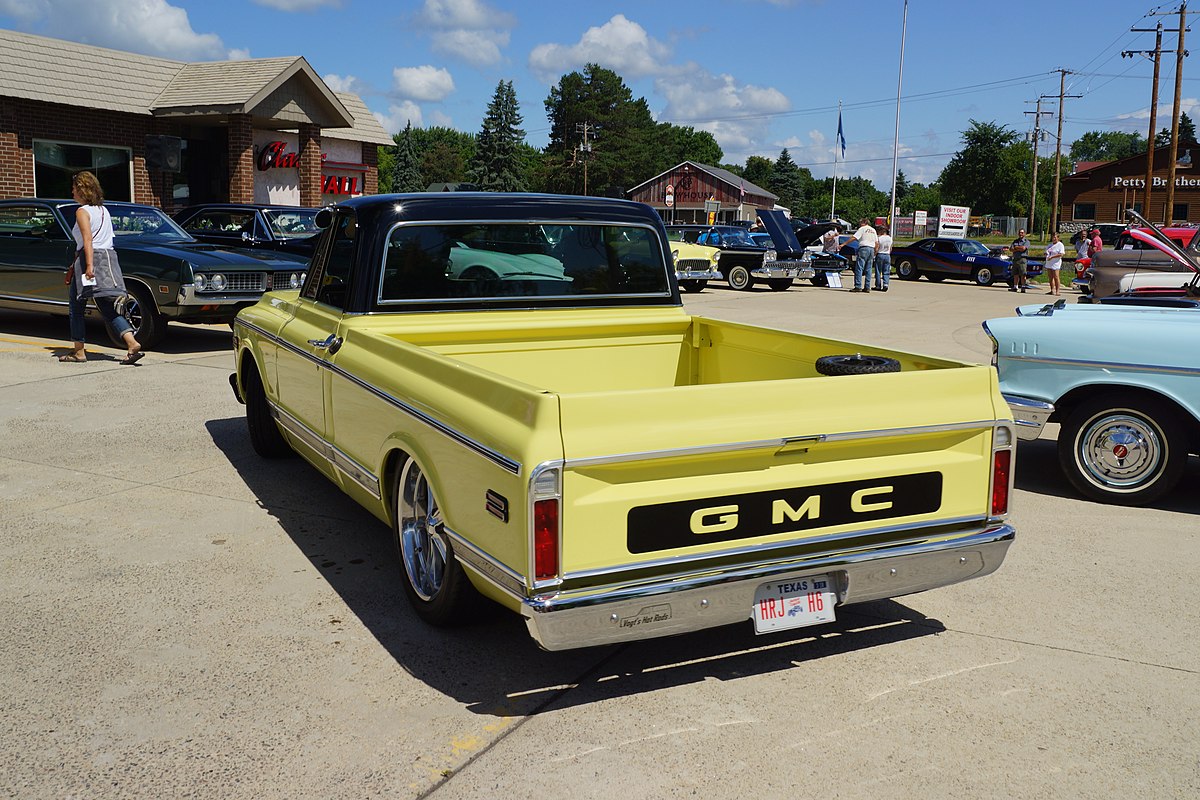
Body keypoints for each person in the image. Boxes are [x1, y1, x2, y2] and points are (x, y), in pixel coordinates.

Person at [60, 171, 143, 364]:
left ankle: (79, 352)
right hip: (108, 259)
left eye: (74, 189)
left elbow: (88, 240)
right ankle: (132, 343)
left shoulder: (82, 211)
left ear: (82, 190)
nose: (72, 193)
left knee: (76, 307)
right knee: (106, 306)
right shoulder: (104, 211)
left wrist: (89, 266)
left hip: (90, 261)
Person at [848, 218, 877, 293]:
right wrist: (875, 251)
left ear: (863, 223)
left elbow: (854, 237)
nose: (859, 224)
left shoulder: (862, 229)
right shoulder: (873, 230)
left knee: (859, 267)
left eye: (860, 223)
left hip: (864, 248)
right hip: (871, 249)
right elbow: (877, 243)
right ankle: (867, 287)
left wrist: (844, 244)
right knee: (869, 269)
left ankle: (858, 286)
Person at [1007, 228, 1030, 293]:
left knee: (1023, 274)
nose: (1021, 234)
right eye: (1020, 233)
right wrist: (1018, 248)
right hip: (1015, 259)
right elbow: (1011, 249)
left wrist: (1016, 247)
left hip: (1022, 259)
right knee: (1015, 274)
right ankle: (1015, 287)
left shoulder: (1026, 241)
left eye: (1022, 233)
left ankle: (1023, 287)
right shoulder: (1015, 241)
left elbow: (1023, 248)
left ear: (1024, 234)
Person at [1043, 232, 1065, 296]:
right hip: (1049, 262)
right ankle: (1052, 290)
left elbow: (1061, 254)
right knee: (1050, 277)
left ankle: (1057, 291)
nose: (1054, 238)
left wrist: (1052, 257)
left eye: (1055, 237)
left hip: (1056, 262)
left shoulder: (1060, 245)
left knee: (1056, 276)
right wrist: (1046, 254)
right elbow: (1047, 251)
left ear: (1058, 238)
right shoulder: (1050, 245)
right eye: (1053, 237)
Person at [874, 224, 892, 292]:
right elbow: (890, 248)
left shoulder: (879, 238)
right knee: (886, 271)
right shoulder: (890, 238)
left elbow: (877, 247)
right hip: (887, 255)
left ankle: (878, 285)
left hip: (880, 254)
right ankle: (886, 284)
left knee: (878, 271)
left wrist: (874, 254)